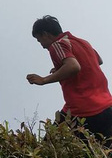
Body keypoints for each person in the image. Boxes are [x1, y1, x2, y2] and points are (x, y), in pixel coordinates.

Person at [26, 15, 112, 143]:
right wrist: (61, 68)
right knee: (104, 154)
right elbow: (97, 61)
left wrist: (44, 80)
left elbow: (73, 66)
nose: (42, 46)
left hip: (82, 111)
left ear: (45, 34)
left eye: (39, 40)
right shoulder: (82, 42)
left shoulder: (57, 45)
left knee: (48, 147)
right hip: (107, 106)